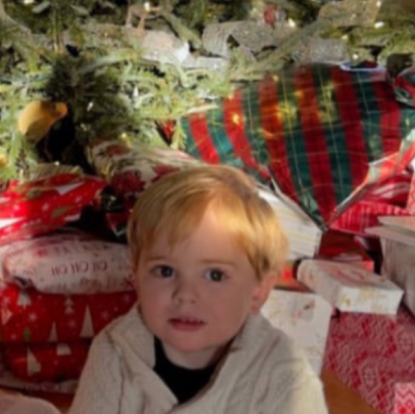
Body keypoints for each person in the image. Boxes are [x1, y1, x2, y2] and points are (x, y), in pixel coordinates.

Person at [69, 166, 327, 414]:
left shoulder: (285, 375)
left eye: (215, 275)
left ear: (258, 292)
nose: (185, 294)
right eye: (165, 271)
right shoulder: (114, 352)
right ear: (136, 274)